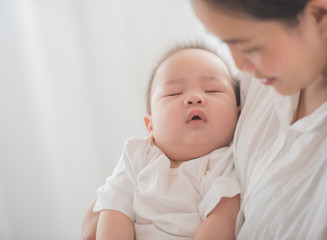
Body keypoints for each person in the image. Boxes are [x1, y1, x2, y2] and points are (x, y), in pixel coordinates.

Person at [189, 0, 327, 239]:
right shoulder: (259, 78)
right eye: (225, 42)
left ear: (320, 16)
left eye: (250, 47)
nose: (238, 66)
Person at [83, 43, 242, 240]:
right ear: (150, 126)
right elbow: (114, 208)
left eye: (212, 90)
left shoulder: (226, 163)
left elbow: (222, 222)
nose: (194, 98)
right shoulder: (138, 155)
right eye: (174, 93)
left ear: (239, 115)